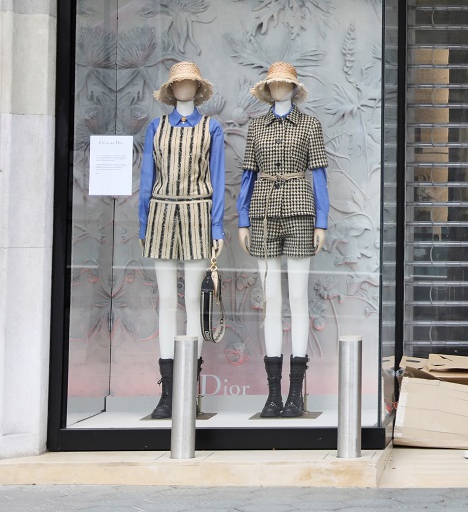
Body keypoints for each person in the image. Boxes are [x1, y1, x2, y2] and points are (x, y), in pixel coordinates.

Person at [236, 61, 328, 418]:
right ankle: (273, 394)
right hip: (262, 211)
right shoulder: (256, 127)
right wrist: (243, 218)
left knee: (298, 299)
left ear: (293, 88)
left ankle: (296, 393)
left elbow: (319, 174)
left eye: (284, 84)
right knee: (271, 300)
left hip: (301, 209)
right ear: (268, 89)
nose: (278, 89)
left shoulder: (310, 125)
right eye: (273, 84)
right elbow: (248, 175)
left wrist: (322, 220)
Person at [138, 61, 225, 420]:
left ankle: (190, 388)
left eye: (190, 83)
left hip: (197, 213)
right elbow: (147, 176)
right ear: (171, 90)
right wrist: (143, 224)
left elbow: (217, 179)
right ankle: (168, 392)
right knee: (165, 302)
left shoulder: (211, 128)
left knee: (192, 301)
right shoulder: (155, 128)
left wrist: (216, 227)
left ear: (197, 88)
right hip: (160, 213)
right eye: (179, 84)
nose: (184, 89)